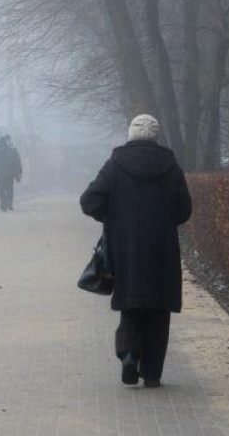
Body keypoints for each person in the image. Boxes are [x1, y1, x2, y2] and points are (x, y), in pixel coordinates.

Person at [80, 114, 192, 388]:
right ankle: (152, 374)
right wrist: (164, 222)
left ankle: (129, 355)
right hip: (162, 249)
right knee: (158, 310)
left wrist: (111, 217)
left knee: (131, 306)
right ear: (156, 136)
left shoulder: (115, 165)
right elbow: (184, 209)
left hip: (125, 248)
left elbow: (89, 200)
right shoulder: (172, 167)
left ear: (130, 134)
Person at [0, 135, 23, 212]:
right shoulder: (12, 151)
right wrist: (18, 173)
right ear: (6, 143)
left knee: (1, 191)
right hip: (9, 175)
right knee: (10, 189)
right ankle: (9, 203)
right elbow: (16, 163)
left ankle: (3, 205)